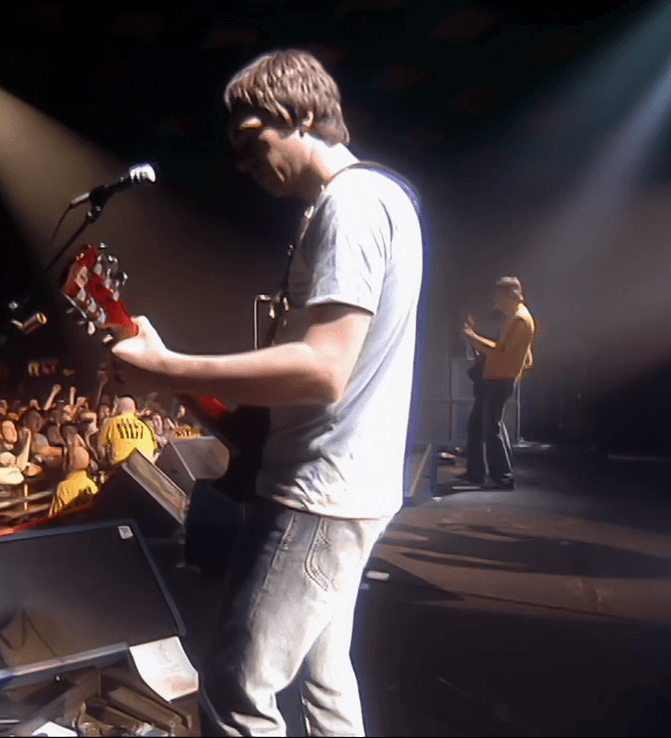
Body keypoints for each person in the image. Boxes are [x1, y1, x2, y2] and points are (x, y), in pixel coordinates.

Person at [109, 49, 423, 736]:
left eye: (254, 142)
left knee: (234, 691)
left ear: (306, 114)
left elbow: (321, 369)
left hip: (318, 492)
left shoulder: (354, 203)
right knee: (324, 680)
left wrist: (168, 369)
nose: (246, 166)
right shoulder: (363, 202)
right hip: (341, 484)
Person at [461, 276, 535, 489]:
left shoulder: (520, 319)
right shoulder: (515, 317)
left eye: (499, 296)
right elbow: (526, 356)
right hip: (496, 378)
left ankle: (503, 477)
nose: (497, 300)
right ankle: (476, 473)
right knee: (479, 426)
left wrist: (473, 337)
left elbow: (502, 352)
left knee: (491, 428)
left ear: (509, 294)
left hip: (500, 380)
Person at [97, 396, 158, 466]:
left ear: (117, 408)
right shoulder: (146, 427)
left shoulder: (110, 422)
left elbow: (101, 450)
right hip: (144, 470)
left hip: (121, 469)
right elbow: (154, 451)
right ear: (134, 410)